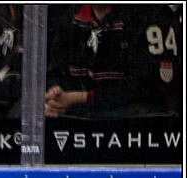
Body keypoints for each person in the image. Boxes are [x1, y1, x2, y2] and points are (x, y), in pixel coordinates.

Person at [45, 4, 181, 119]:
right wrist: (53, 95)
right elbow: (53, 72)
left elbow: (143, 89)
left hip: (134, 123)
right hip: (79, 117)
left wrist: (79, 97)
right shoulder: (68, 17)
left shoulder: (149, 15)